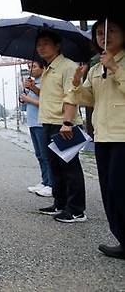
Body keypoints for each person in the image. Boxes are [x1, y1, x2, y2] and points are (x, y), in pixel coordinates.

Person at [65, 18, 125, 259]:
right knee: (109, 191)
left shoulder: (115, 63)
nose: (104, 36)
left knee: (120, 188)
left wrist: (115, 69)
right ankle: (122, 239)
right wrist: (77, 84)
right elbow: (89, 100)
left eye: (111, 31)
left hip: (122, 135)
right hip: (102, 135)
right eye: (99, 32)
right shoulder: (96, 67)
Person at [31, 30, 86, 223]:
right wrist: (33, 89)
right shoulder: (48, 69)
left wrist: (67, 123)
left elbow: (72, 95)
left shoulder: (68, 67)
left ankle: (77, 210)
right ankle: (60, 203)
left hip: (63, 124)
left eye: (46, 43)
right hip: (47, 122)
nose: (41, 48)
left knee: (69, 167)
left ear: (57, 46)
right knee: (55, 167)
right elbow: (50, 96)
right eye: (39, 45)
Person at [21, 60, 53, 197]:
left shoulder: (45, 82)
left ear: (43, 67)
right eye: (29, 67)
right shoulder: (32, 82)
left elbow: (46, 102)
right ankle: (44, 181)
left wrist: (29, 98)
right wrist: (24, 95)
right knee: (39, 155)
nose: (30, 69)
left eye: (33, 66)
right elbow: (26, 100)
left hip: (41, 123)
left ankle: (51, 184)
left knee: (46, 156)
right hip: (32, 122)